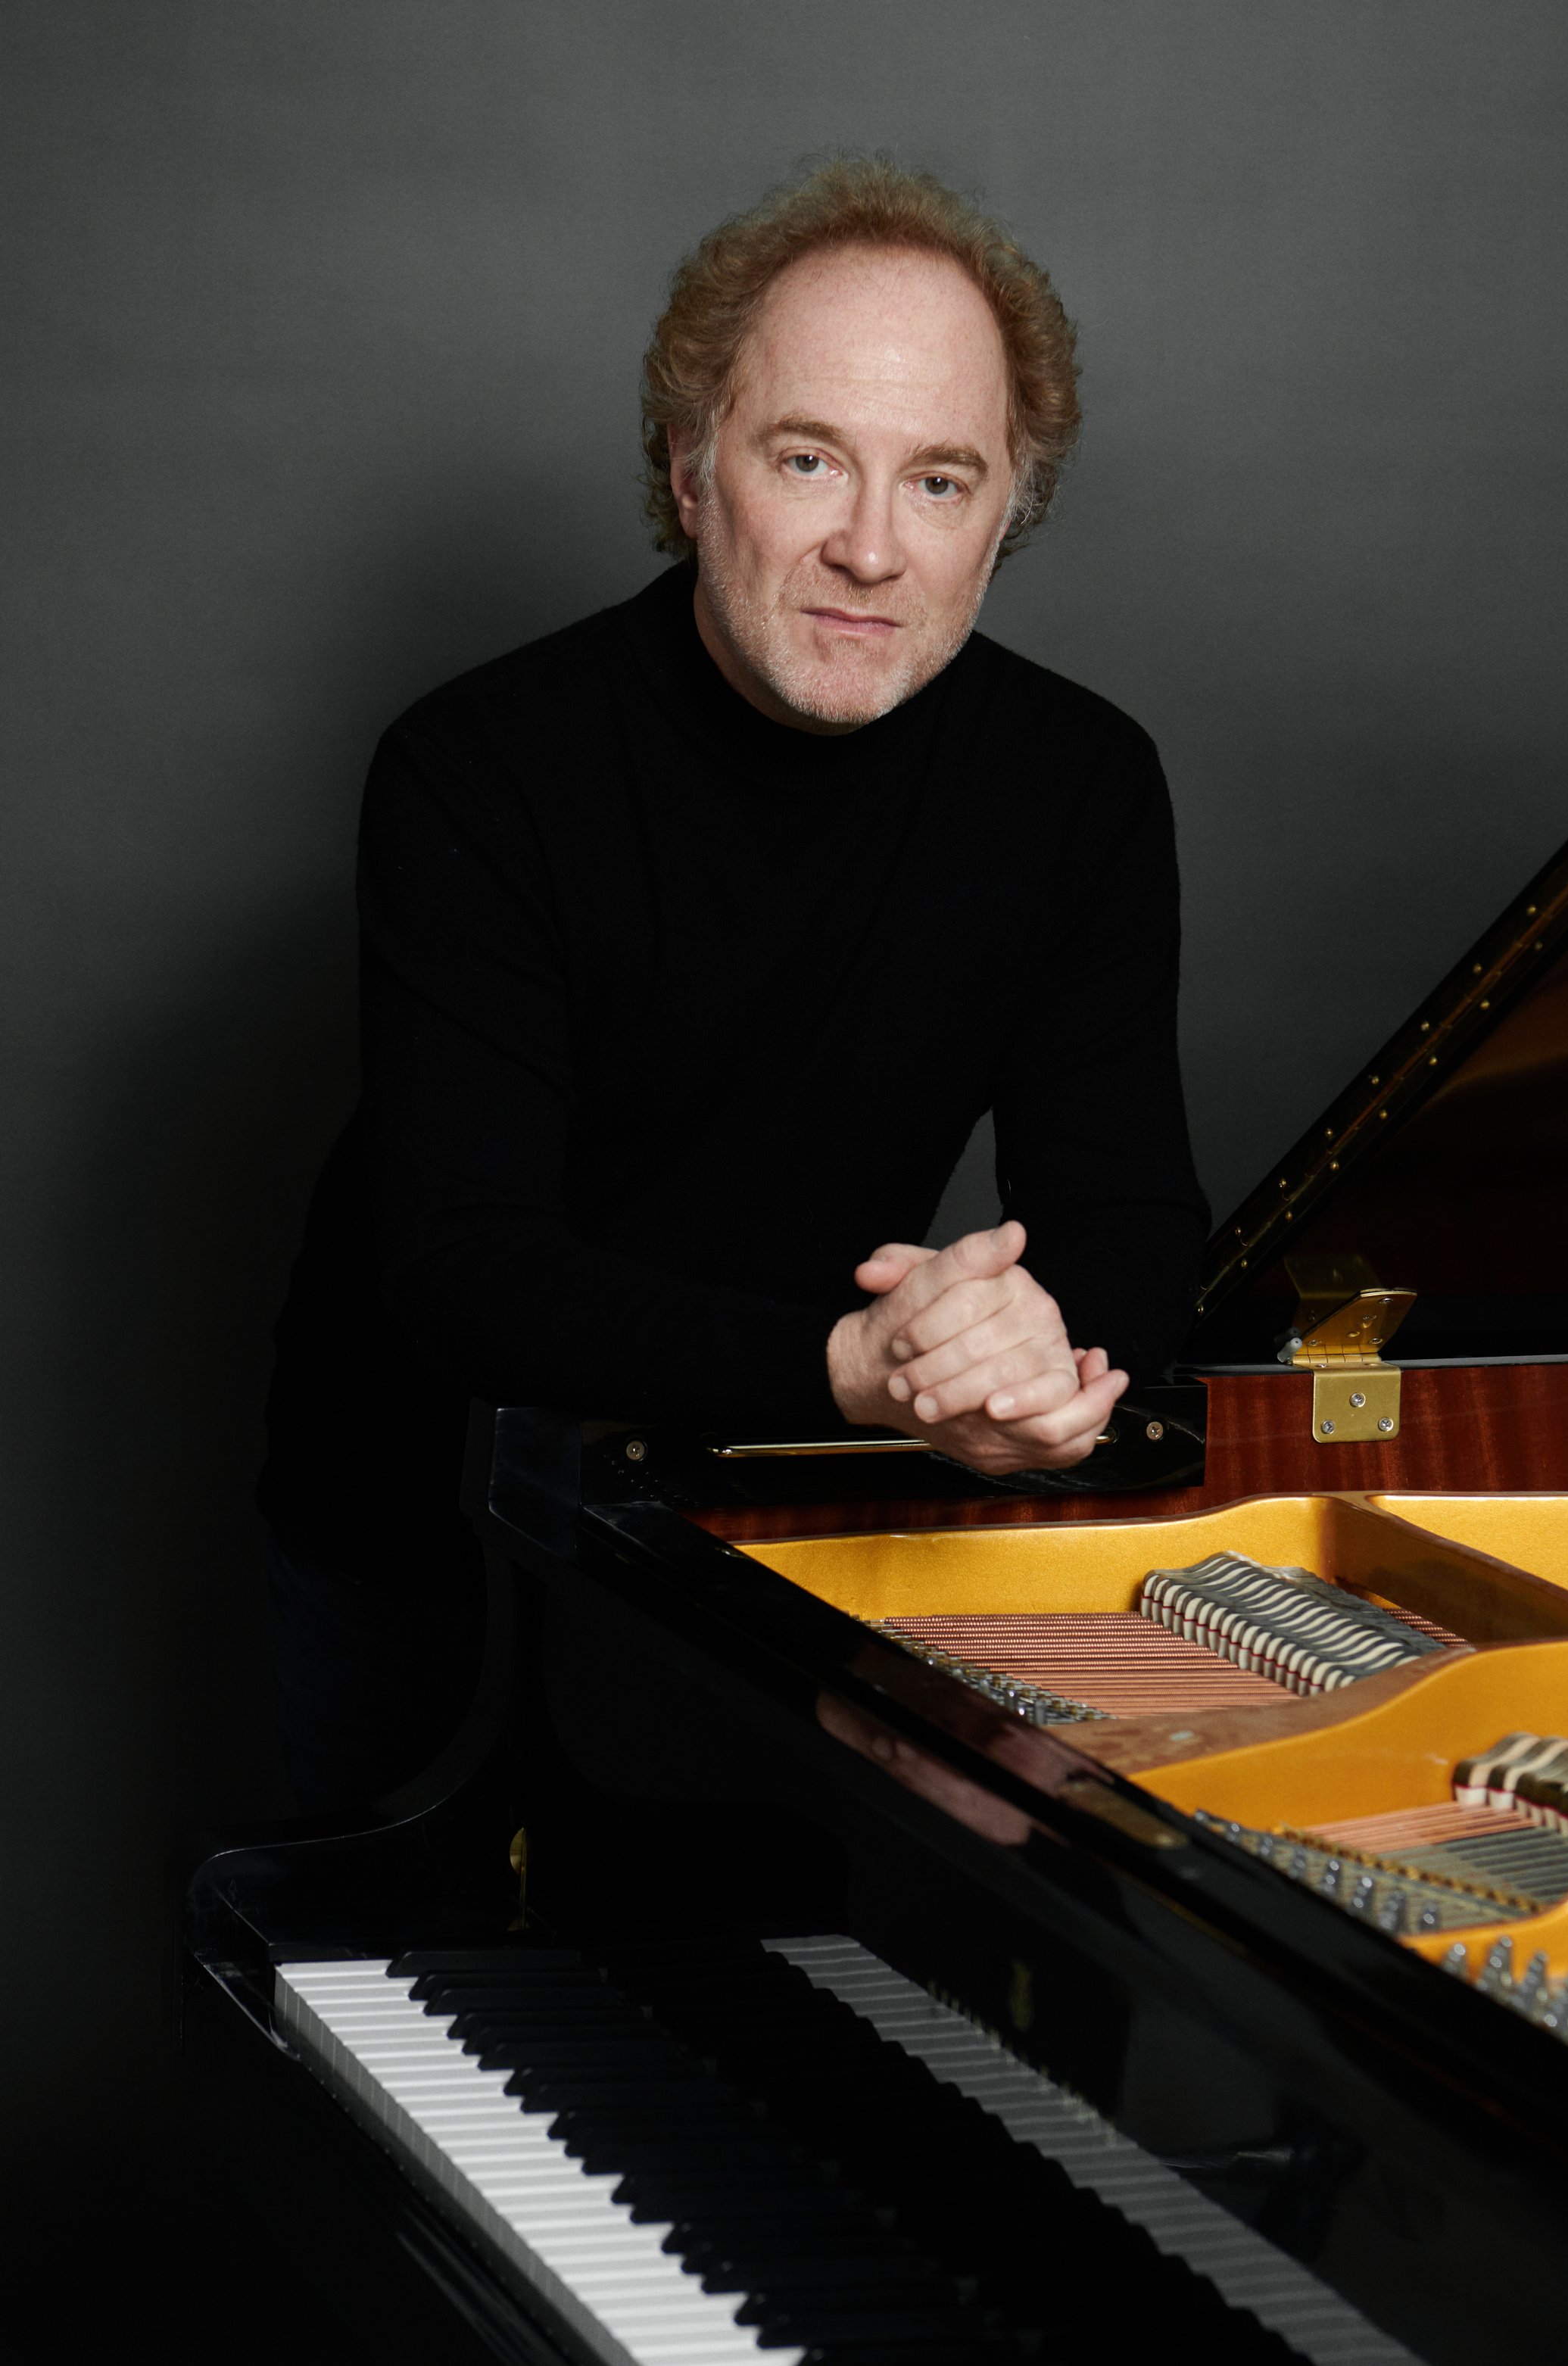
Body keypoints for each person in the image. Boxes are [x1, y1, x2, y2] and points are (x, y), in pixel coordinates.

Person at [259, 156, 1207, 1808]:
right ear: (690, 473)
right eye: (805, 459)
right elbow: (464, 1274)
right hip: (428, 1539)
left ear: (1003, 517)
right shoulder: (477, 769)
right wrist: (864, 1370)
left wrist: (1034, 1361)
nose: (867, 548)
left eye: (938, 481)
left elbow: (1132, 1233)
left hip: (815, 1523)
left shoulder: (1080, 786)